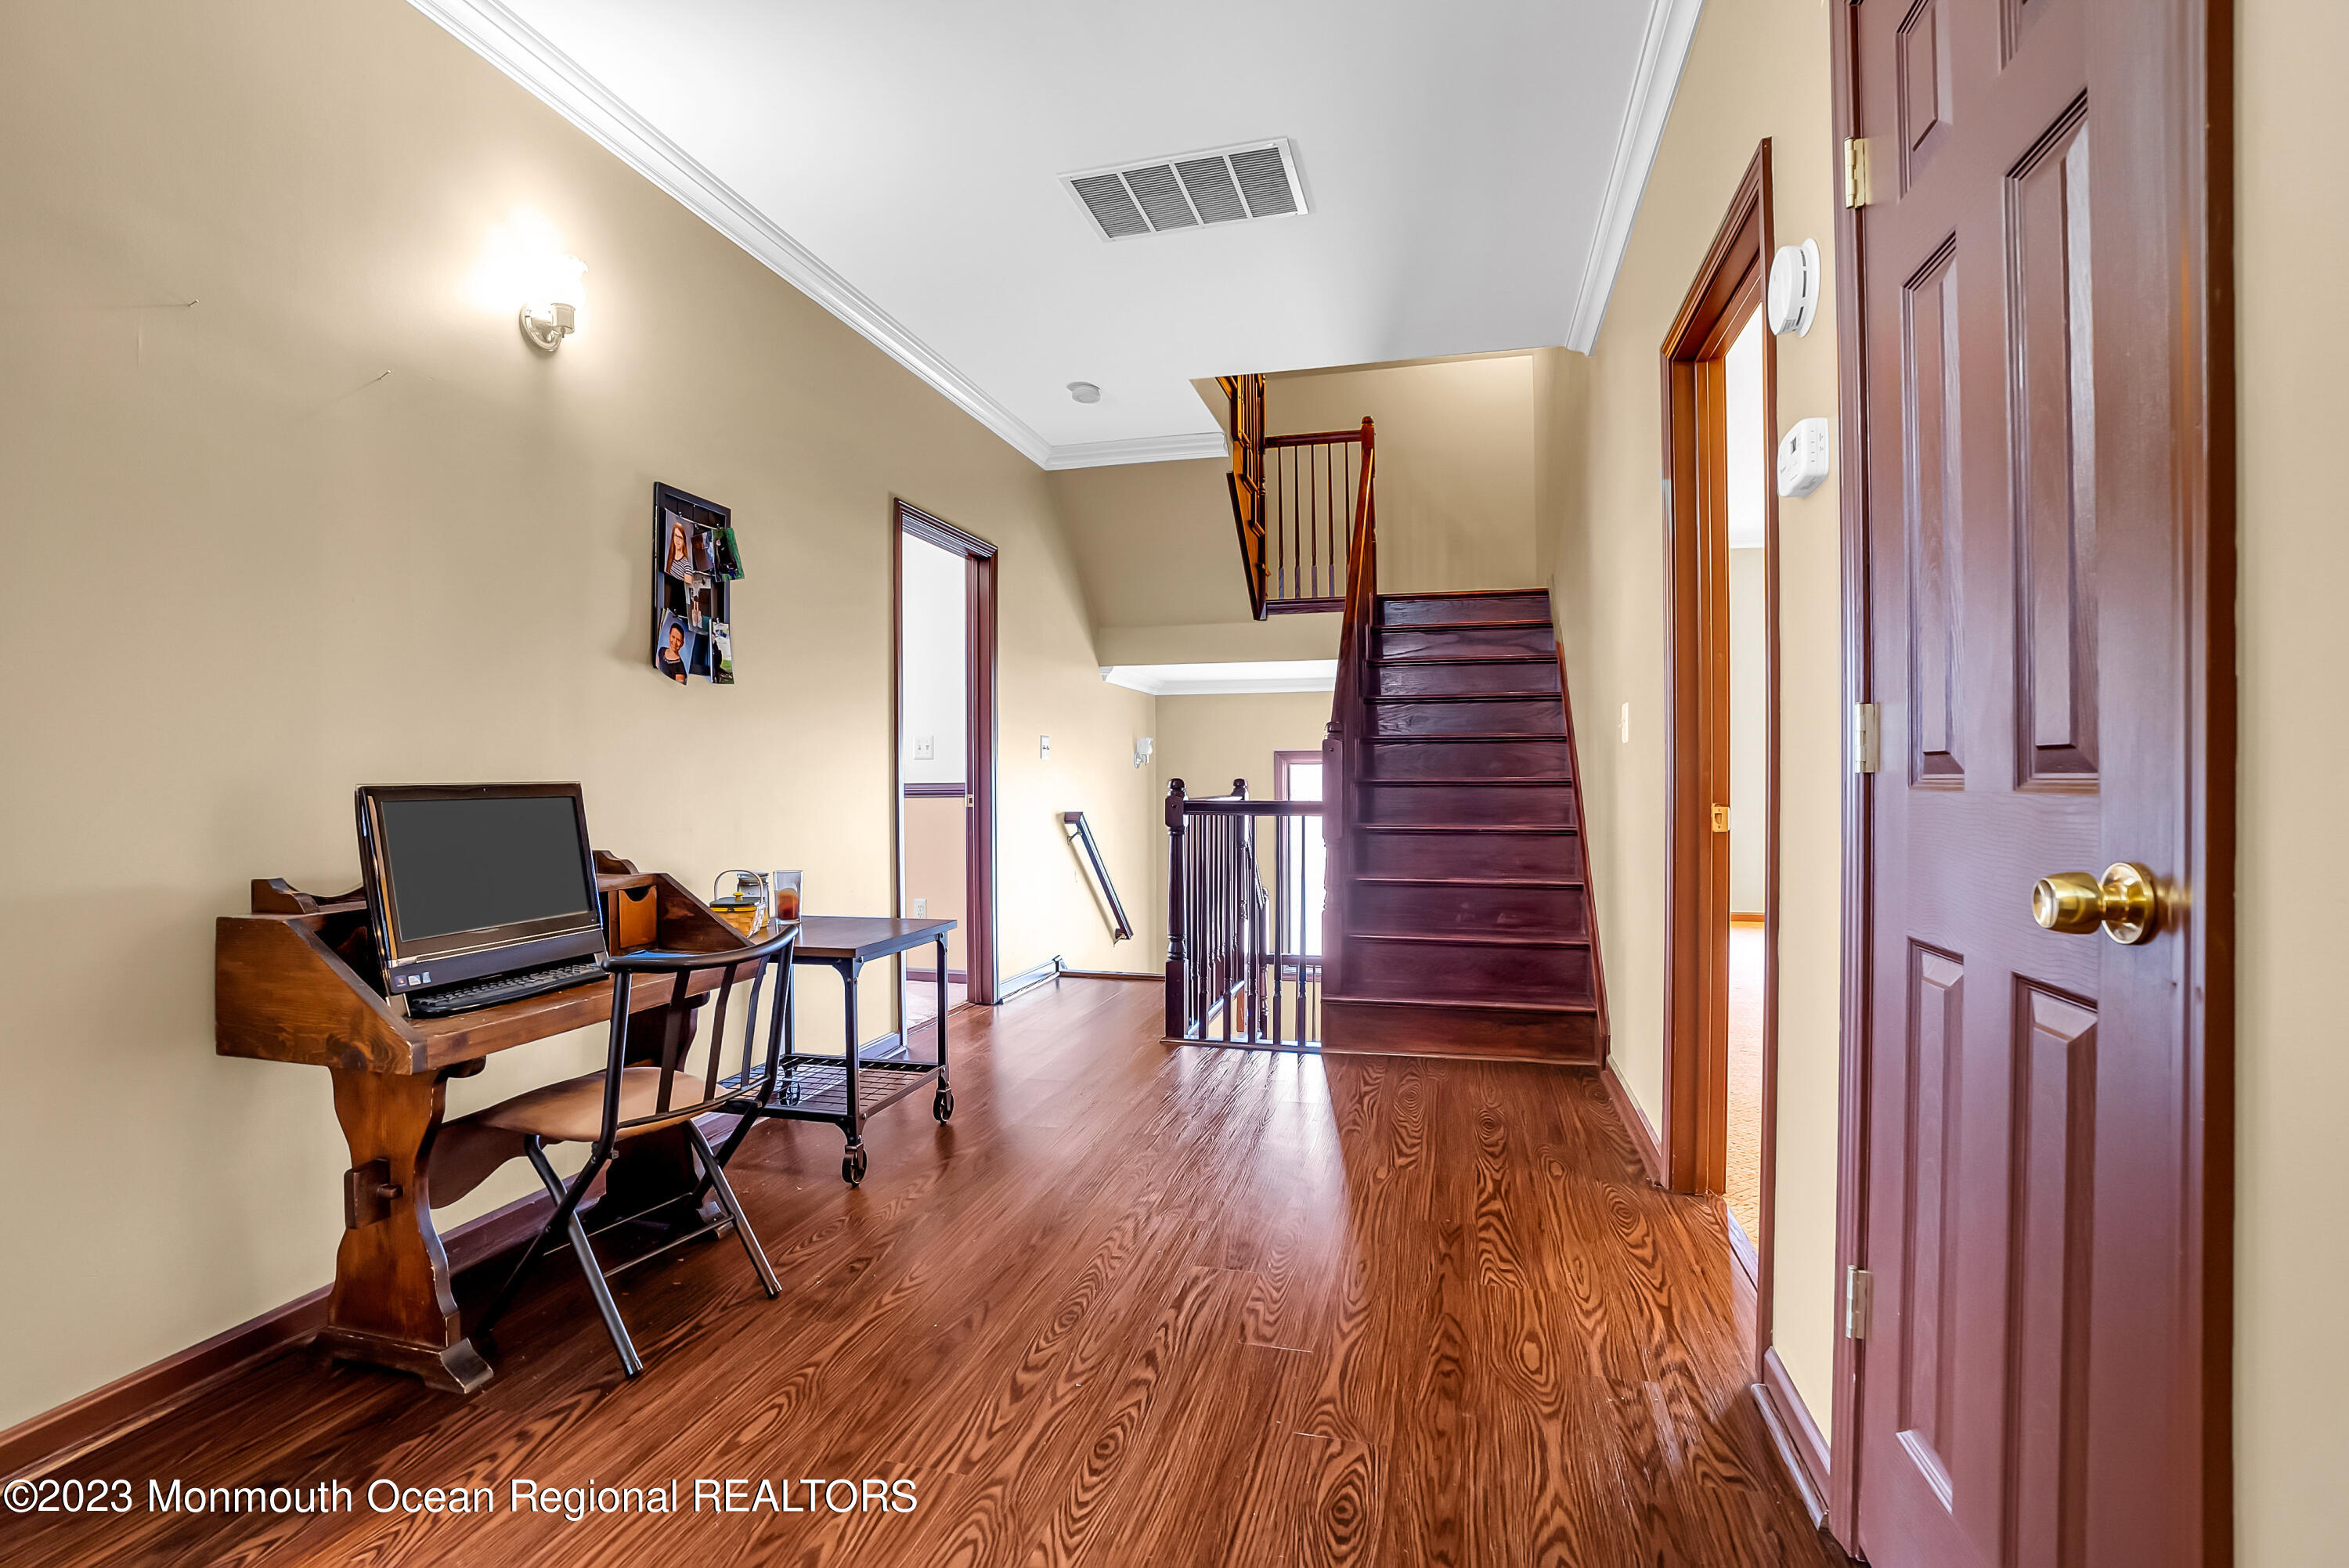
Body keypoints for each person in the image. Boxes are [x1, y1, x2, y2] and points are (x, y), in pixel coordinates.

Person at [656, 617, 689, 682]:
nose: (675, 642)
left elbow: (677, 689)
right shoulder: (662, 650)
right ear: (669, 635)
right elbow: (656, 667)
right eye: (673, 637)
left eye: (678, 640)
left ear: (682, 643)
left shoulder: (680, 668)